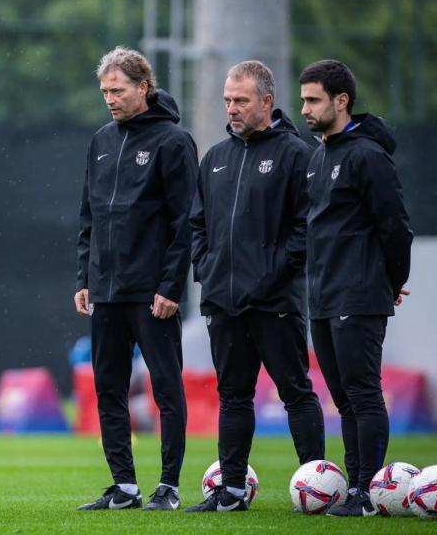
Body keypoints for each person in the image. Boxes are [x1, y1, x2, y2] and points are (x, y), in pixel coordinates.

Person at [186, 61, 325, 513]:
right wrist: (206, 268)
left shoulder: (295, 154)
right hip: (223, 303)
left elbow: (307, 229)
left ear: (267, 101)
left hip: (274, 302)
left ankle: (318, 487)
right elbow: (197, 224)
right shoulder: (216, 158)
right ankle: (230, 492)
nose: (232, 108)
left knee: (295, 392)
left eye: (241, 100)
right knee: (232, 396)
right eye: (228, 100)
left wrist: (269, 275)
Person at [74, 46, 198, 511]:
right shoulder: (101, 141)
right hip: (105, 292)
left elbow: (186, 222)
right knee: (109, 389)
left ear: (143, 87)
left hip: (152, 295)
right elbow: (89, 216)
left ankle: (168, 486)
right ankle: (124, 487)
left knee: (166, 388)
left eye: (118, 90)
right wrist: (84, 276)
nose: (110, 98)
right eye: (105, 91)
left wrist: (170, 286)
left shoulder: (173, 141)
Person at [298, 59, 413, 517]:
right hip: (323, 296)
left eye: (313, 99)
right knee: (343, 397)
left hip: (358, 294)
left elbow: (396, 227)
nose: (304, 108)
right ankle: (354, 490)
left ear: (341, 101)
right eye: (303, 98)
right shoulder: (318, 155)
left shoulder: (367, 156)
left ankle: (368, 492)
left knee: (363, 392)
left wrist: (391, 280)